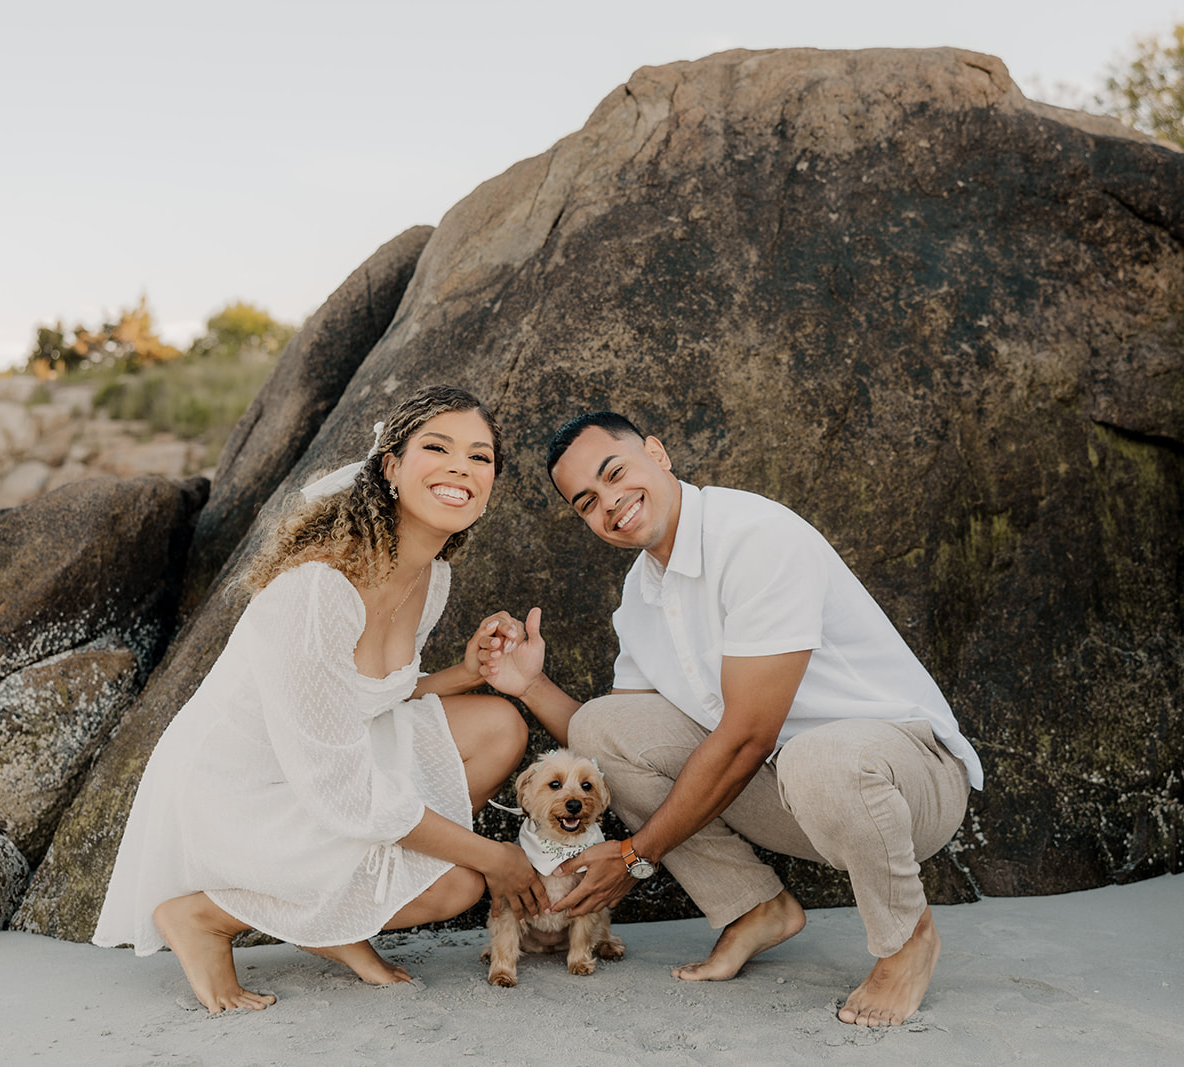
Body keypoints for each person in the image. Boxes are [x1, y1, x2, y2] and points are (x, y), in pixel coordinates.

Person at [473, 411, 983, 1028]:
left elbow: (748, 735)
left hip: (904, 780)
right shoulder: (642, 594)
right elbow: (615, 744)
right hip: (785, 792)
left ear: (657, 452)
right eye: (587, 502)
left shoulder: (755, 536)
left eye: (615, 474)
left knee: (818, 757)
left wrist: (636, 855)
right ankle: (753, 909)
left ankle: (907, 939)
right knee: (604, 729)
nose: (611, 504)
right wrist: (529, 684)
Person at [93, 385, 546, 1014]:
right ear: (390, 466)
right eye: (437, 448)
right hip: (246, 790)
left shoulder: (431, 576)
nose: (460, 469)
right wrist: (498, 857)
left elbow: (358, 698)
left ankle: (339, 918)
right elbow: (339, 786)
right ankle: (205, 916)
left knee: (497, 724)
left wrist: (461, 673)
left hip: (322, 761)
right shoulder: (318, 590)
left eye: (480, 457)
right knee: (459, 884)